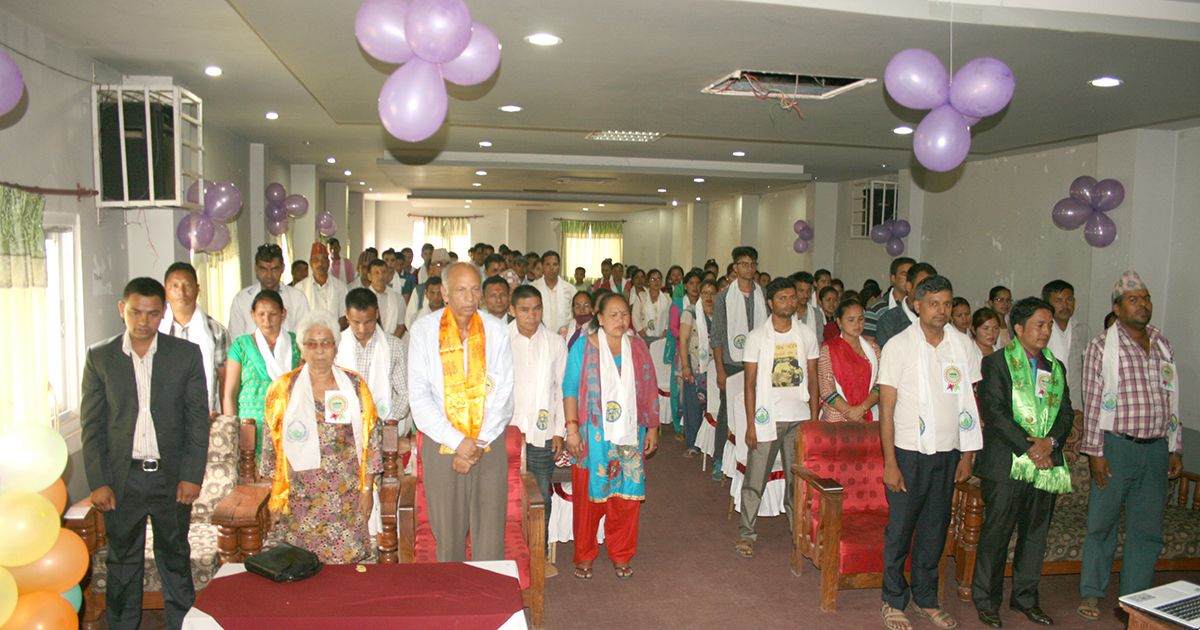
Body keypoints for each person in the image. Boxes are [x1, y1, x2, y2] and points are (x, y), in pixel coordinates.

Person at [81, 278, 209, 630]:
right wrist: (98, 481)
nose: (143, 321)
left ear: (163, 313)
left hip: (171, 478)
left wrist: (191, 475)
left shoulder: (185, 354)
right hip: (123, 480)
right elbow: (92, 427)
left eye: (153, 313)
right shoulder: (100, 357)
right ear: (122, 310)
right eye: (135, 312)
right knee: (122, 562)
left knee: (175, 558)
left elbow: (198, 421)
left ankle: (183, 626)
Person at [877, 275, 983, 630]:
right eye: (934, 303)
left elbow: (969, 403)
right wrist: (890, 462)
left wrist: (967, 455)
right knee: (901, 529)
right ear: (917, 304)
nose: (942, 310)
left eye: (947, 304)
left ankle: (925, 598)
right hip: (909, 453)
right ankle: (893, 600)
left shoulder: (962, 346)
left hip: (948, 452)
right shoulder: (899, 346)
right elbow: (887, 410)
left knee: (936, 528)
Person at [1077, 271, 1184, 621]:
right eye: (1134, 300)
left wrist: (1175, 446)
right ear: (1118, 307)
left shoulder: (1162, 343)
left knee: (1147, 529)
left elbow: (1172, 398)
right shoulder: (1100, 347)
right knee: (1102, 524)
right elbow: (1093, 404)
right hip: (1117, 447)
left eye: (1147, 298)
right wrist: (1096, 453)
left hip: (1155, 450)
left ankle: (1134, 601)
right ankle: (1092, 593)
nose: (1143, 304)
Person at [972, 297, 1075, 628]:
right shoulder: (997, 363)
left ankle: (1026, 598)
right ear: (1018, 329)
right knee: (996, 535)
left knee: (1035, 535)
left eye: (1048, 325)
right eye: (1039, 325)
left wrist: (1051, 443)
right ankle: (987, 601)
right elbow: (995, 412)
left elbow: (1066, 413)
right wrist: (1031, 449)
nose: (1046, 331)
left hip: (1047, 463)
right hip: (1008, 464)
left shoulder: (1054, 367)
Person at [408, 262, 514, 562]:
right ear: (443, 293)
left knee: (490, 532)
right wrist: (458, 442)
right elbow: (419, 397)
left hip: (488, 444)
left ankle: (488, 603)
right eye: (460, 290)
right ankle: (451, 602)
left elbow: (504, 393)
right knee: (448, 534)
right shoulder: (423, 331)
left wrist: (475, 444)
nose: (470, 297)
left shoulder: (495, 330)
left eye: (475, 289)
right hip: (441, 443)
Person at [261, 309, 382, 564]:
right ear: (301, 349)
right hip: (299, 499)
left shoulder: (354, 386)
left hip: (346, 498)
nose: (319, 351)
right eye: (311, 344)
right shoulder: (283, 390)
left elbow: (371, 442)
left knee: (345, 581)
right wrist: (274, 498)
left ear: (336, 348)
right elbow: (270, 450)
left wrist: (367, 489)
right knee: (302, 576)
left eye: (326, 343)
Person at [562, 292, 659, 580]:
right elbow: (569, 388)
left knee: (626, 501)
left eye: (625, 314)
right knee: (589, 501)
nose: (621, 319)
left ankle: (621, 553)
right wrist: (571, 429)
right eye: (613, 315)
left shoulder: (638, 347)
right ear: (600, 318)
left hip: (630, 436)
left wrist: (652, 426)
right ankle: (585, 554)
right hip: (593, 439)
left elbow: (649, 387)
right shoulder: (584, 346)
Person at [735, 278, 819, 558]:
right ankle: (747, 533)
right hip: (766, 419)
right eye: (783, 298)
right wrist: (750, 424)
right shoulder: (757, 337)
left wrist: (814, 419)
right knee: (755, 480)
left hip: (799, 420)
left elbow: (814, 378)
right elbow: (749, 384)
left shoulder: (806, 333)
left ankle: (798, 533)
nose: (790, 303)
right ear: (770, 303)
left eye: (793, 298)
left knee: (798, 484)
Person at [508, 285, 568, 578]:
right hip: (507, 432)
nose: (532, 316)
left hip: (544, 432)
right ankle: (508, 554)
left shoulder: (555, 342)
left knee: (540, 495)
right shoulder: (500, 339)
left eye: (537, 309)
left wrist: (560, 431)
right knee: (505, 495)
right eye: (524, 309)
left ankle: (538, 556)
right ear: (511, 310)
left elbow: (561, 389)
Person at [710, 246, 767, 481]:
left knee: (759, 408)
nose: (749, 268)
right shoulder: (724, 297)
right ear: (735, 267)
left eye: (753, 264)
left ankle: (755, 455)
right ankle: (719, 458)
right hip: (732, 362)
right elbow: (717, 335)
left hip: (759, 362)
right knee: (727, 411)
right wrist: (721, 370)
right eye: (744, 264)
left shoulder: (763, 294)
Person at [223, 290, 302, 452]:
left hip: (288, 426)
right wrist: (232, 433)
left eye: (273, 314)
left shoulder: (296, 344)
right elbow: (229, 394)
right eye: (261, 314)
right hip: (250, 430)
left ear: (283, 314)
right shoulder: (241, 345)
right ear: (252, 315)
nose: (267, 320)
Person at [160, 262, 231, 413]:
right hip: (164, 414)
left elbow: (225, 380)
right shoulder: (156, 329)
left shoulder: (216, 331)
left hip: (205, 414)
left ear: (197, 289)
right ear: (165, 290)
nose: (181, 291)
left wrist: (225, 417)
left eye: (187, 285)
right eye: (174, 286)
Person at [338, 288, 411, 434]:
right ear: (346, 316)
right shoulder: (336, 345)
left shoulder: (394, 346)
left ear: (377, 314)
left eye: (368, 322)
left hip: (385, 424)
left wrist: (390, 422)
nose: (362, 329)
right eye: (356, 322)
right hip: (346, 427)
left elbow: (404, 393)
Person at [818, 299, 881, 422]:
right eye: (851, 320)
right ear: (839, 322)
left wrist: (861, 409)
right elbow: (826, 390)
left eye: (861, 319)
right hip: (836, 419)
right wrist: (850, 412)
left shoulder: (873, 349)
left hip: (867, 415)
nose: (857, 324)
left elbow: (879, 385)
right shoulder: (829, 349)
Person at [228, 244, 310, 338]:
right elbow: (235, 339)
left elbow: (303, 338)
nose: (269, 275)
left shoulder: (297, 298)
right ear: (256, 268)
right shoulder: (242, 299)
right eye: (263, 269)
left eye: (274, 269)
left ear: (282, 268)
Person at [1042, 279, 1088, 429]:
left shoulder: (1083, 329)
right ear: (1048, 303)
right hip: (1046, 402)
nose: (1065, 305)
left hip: (1076, 403)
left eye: (1069, 299)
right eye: (1058, 301)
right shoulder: (1040, 330)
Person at [677, 276, 714, 455]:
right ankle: (693, 444)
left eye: (712, 293)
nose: (709, 297)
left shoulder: (721, 313)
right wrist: (685, 366)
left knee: (713, 407)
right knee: (694, 408)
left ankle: (710, 444)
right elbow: (683, 340)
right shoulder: (690, 312)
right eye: (705, 293)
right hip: (694, 365)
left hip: (714, 368)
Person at [874, 262, 937, 348]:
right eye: (922, 286)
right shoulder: (890, 320)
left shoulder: (938, 318)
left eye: (932, 287)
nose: (927, 292)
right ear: (909, 286)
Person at [864, 257, 914, 344]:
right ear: (893, 278)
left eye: (911, 275)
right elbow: (869, 349)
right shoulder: (876, 311)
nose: (908, 278)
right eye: (904, 274)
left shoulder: (920, 309)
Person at [295, 242, 349, 324]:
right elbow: (297, 318)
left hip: (334, 335)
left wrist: (333, 333)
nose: (320, 264)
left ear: (328, 262)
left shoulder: (340, 287)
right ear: (310, 263)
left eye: (323, 260)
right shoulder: (300, 288)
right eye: (316, 260)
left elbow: (343, 317)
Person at [532, 250, 574, 336]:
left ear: (559, 266)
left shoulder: (570, 289)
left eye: (555, 264)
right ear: (542, 267)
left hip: (565, 338)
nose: (551, 268)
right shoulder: (533, 288)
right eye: (548, 265)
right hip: (538, 336)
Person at [406, 247, 450, 327]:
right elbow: (409, 319)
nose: (444, 268)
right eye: (439, 264)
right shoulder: (419, 290)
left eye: (447, 265)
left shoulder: (454, 290)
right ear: (431, 268)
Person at [367, 259, 407, 338]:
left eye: (384, 272)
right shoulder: (362, 298)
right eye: (377, 273)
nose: (381, 276)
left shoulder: (398, 298)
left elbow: (401, 326)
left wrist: (390, 344)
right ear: (369, 276)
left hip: (391, 343)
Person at [633, 269, 670, 339]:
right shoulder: (641, 297)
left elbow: (670, 319)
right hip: (643, 337)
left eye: (659, 279)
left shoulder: (667, 298)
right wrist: (646, 338)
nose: (656, 282)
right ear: (648, 282)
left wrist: (664, 335)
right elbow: (635, 319)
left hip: (662, 338)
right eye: (653, 279)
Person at [792, 271, 826, 345]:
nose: (806, 295)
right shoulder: (786, 313)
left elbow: (819, 341)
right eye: (801, 291)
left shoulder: (816, 314)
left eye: (809, 291)